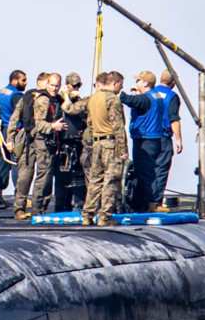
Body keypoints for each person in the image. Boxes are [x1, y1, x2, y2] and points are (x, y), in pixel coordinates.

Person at [64, 71, 152, 225]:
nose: (121, 88)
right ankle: (104, 217)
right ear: (114, 83)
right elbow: (118, 126)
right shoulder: (112, 100)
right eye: (121, 85)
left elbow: (85, 119)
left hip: (96, 144)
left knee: (95, 181)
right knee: (111, 180)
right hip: (110, 144)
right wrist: (123, 150)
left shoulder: (92, 99)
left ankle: (87, 215)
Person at [8, 72, 64, 218]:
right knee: (36, 175)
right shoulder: (39, 99)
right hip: (36, 139)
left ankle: (25, 208)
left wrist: (10, 138)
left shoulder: (35, 97)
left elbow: (14, 118)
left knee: (31, 174)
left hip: (34, 138)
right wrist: (10, 138)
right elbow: (18, 119)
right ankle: (31, 208)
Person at [125, 70, 182, 212]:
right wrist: (179, 139)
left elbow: (136, 103)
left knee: (144, 172)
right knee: (160, 171)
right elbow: (173, 119)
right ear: (173, 83)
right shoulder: (169, 96)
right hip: (161, 136)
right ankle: (155, 203)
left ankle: (143, 203)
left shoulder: (150, 95)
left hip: (147, 137)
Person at [49, 72, 87, 212]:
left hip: (77, 141)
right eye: (73, 85)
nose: (76, 88)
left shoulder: (80, 102)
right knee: (62, 177)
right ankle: (61, 205)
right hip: (64, 142)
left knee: (78, 176)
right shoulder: (59, 100)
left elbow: (80, 113)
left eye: (78, 85)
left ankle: (79, 204)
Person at [0, 70, 27, 198]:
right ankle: (19, 195)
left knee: (2, 160)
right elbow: (22, 115)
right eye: (23, 80)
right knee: (16, 161)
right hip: (14, 131)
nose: (25, 83)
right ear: (14, 80)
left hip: (1, 130)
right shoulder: (16, 96)